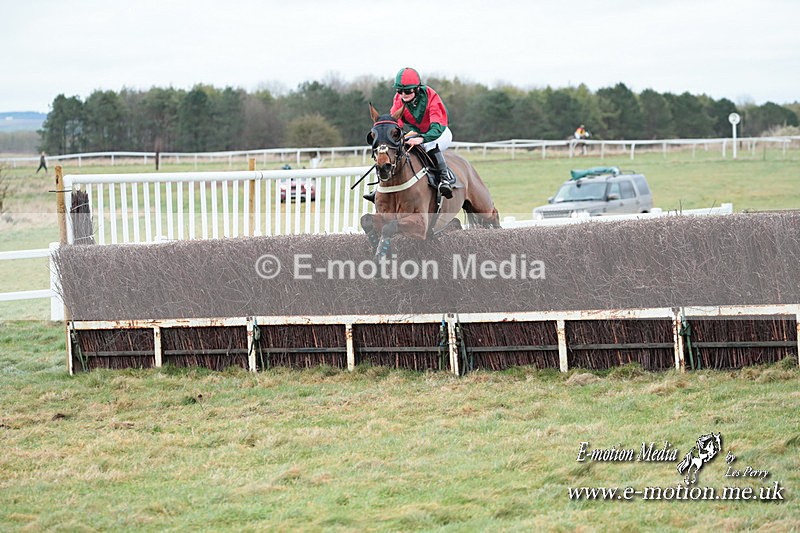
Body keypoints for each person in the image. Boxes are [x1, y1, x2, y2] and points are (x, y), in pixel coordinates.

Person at [365, 67, 455, 201]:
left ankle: (444, 179)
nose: (403, 94)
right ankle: (382, 184)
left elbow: (437, 126)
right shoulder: (398, 99)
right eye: (399, 91)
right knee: (396, 148)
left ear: (417, 88)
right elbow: (396, 123)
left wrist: (422, 138)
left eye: (407, 91)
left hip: (439, 132)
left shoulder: (432, 97)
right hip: (418, 132)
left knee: (429, 145)